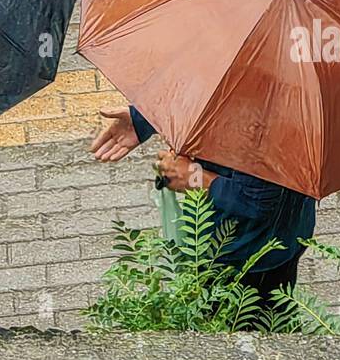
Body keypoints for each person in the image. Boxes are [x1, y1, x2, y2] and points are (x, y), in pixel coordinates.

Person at [91, 105, 316, 304]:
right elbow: (204, 81)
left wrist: (196, 178)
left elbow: (263, 201)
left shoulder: (284, 110)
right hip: (227, 231)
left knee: (247, 328)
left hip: (252, 250)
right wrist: (147, 115)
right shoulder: (243, 66)